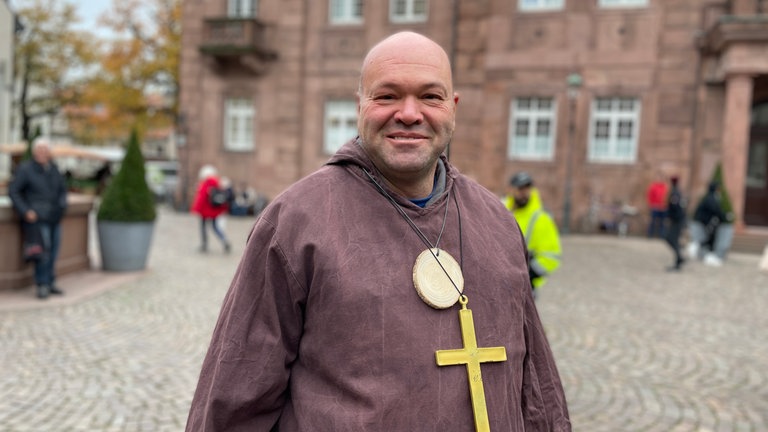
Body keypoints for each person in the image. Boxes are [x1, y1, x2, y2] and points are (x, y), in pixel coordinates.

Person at [186, 31, 570, 431]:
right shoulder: (294, 223)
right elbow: (235, 398)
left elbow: (537, 390)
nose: (409, 113)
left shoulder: (497, 222)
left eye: (430, 96)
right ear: (360, 106)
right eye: (387, 96)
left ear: (452, 108)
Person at [8, 139, 68, 299]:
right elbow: (14, 191)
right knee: (42, 253)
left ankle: (50, 281)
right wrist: (26, 211)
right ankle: (42, 284)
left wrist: (62, 206)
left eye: (45, 149)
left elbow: (62, 190)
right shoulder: (25, 169)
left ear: (49, 152)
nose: (42, 152)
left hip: (54, 217)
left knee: (53, 251)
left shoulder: (54, 169)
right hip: (37, 218)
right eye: (39, 149)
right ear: (34, 152)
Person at [503, 171, 562, 296]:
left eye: (527, 189)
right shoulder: (501, 212)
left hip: (525, 287)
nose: (524, 192)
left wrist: (529, 274)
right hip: (500, 282)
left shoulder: (541, 219)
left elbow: (551, 256)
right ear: (511, 190)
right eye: (520, 189)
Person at [191, 164, 231, 253]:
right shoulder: (218, 183)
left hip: (204, 211)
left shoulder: (206, 184)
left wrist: (196, 209)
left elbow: (201, 198)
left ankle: (204, 244)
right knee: (215, 227)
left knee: (203, 227)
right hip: (214, 210)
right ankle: (224, 240)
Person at [688, 181, 728, 265]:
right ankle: (705, 254)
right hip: (702, 223)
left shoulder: (711, 198)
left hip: (705, 223)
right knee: (706, 239)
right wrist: (725, 217)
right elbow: (716, 210)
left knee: (707, 239)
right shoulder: (711, 199)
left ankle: (705, 254)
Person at [663, 176, 686, 271]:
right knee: (672, 239)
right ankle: (679, 258)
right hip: (677, 220)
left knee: (671, 238)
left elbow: (675, 207)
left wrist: (671, 217)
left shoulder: (675, 192)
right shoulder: (676, 192)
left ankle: (679, 258)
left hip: (677, 220)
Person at [645, 173, 668, 238]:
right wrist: (652, 204)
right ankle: (650, 235)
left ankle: (661, 236)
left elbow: (666, 197)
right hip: (655, 207)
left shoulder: (665, 187)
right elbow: (649, 196)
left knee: (662, 222)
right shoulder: (653, 186)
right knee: (653, 221)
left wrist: (665, 205)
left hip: (663, 208)